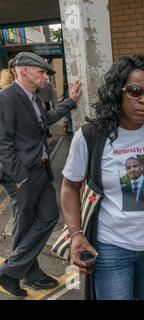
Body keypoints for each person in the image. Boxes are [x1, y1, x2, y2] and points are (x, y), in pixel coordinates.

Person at [60, 55, 144, 300]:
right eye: (135, 91)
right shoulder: (91, 136)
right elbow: (70, 186)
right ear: (117, 93)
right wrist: (76, 234)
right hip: (111, 248)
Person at [0, 52, 82, 297]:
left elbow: (44, 121)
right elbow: (2, 142)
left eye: (47, 73)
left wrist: (70, 101)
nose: (47, 77)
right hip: (23, 174)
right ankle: (28, 273)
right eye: (42, 72)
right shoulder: (7, 98)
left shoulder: (33, 97)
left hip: (40, 170)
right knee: (24, 225)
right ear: (23, 70)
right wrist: (18, 176)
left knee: (47, 217)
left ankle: (12, 271)